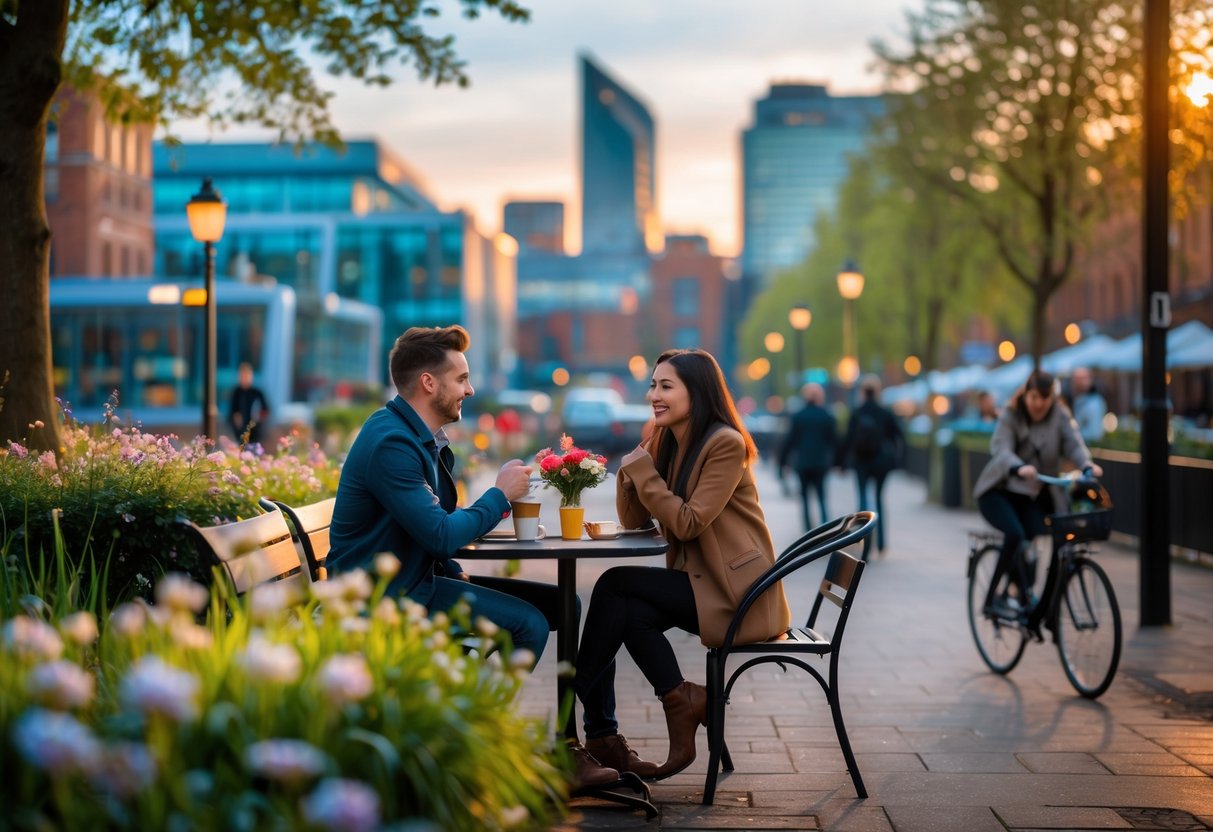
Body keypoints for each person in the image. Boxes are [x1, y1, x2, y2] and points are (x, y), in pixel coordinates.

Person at [326, 325, 617, 787]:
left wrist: (462, 561)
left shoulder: (415, 437)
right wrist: (499, 496)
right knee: (529, 623)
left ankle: (578, 743)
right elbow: (442, 534)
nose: (470, 388)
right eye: (461, 378)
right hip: (383, 598)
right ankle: (465, 739)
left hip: (415, 582)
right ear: (429, 383)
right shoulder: (392, 443)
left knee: (566, 605)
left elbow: (434, 531)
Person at [573, 348, 792, 782]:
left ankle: (582, 699)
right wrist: (633, 467)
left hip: (738, 594)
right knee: (626, 611)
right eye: (653, 385)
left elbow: (688, 523)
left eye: (666, 386)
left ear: (698, 391)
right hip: (702, 584)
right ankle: (670, 704)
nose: (654, 394)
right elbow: (635, 521)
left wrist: (644, 471)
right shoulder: (672, 442)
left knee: (615, 585)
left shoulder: (724, 443)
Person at [972, 369, 1103, 624]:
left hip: (1034, 496)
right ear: (1026, 395)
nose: (1040, 404)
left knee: (1042, 536)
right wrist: (1018, 466)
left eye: (1045, 398)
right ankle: (992, 598)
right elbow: (1000, 447)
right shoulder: (1012, 414)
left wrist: (1087, 465)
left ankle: (1029, 596)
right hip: (999, 493)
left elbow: (1074, 443)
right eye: (1034, 398)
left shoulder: (1060, 415)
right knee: (1015, 534)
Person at [842, 375, 903, 553]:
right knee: (879, 499)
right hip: (881, 462)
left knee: (862, 499)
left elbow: (848, 439)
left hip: (861, 461)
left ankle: (863, 539)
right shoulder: (885, 413)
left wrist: (841, 463)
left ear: (862, 391)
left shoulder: (857, 412)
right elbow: (898, 435)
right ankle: (882, 543)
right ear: (877, 391)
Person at [778, 382, 838, 531]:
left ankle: (808, 531)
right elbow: (834, 441)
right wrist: (838, 462)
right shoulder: (826, 416)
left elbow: (791, 441)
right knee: (822, 497)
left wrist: (783, 461)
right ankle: (825, 529)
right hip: (821, 463)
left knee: (804, 499)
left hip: (803, 463)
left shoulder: (798, 416)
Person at [228, 362, 271, 446]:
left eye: (246, 375)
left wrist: (257, 421)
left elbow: (265, 411)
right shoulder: (236, 393)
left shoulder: (257, 393)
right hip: (239, 434)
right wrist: (235, 418)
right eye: (242, 376)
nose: (244, 378)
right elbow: (232, 411)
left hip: (255, 435)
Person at [1067, 367, 1107, 442]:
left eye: (1081, 379)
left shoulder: (1094, 403)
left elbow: (1095, 434)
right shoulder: (1078, 400)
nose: (1077, 382)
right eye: (1075, 379)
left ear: (1090, 380)